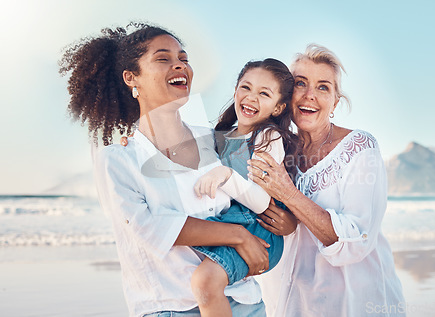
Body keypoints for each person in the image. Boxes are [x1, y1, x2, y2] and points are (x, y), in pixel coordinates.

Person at [60, 23, 269, 317]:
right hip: (169, 307)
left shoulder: (215, 140)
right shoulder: (118, 158)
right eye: (163, 58)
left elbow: (258, 202)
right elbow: (147, 228)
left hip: (245, 301)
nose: (180, 66)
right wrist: (237, 235)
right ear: (132, 78)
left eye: (183, 58)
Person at [247, 44, 406, 316]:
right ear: (285, 95)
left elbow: (356, 239)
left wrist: (289, 194)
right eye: (300, 84)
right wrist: (287, 225)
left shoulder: (360, 147)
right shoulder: (277, 148)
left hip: (353, 303)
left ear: (334, 102)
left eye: (323, 87)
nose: (310, 95)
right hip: (294, 301)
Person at [190, 58, 298, 317]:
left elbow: (261, 203)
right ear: (236, 90)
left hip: (258, 230)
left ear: (278, 107)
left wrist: (226, 175)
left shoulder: (268, 137)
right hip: (227, 225)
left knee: (204, 282)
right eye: (245, 88)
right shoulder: (220, 134)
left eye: (264, 93)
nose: (251, 97)